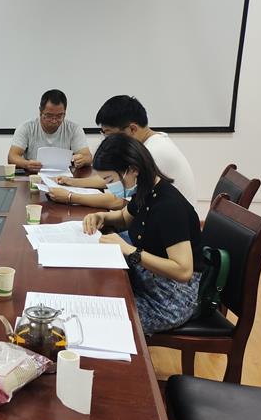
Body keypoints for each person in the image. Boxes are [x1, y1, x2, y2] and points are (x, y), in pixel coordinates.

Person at [82, 135, 202, 334]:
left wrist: (130, 251)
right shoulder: (146, 191)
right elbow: (124, 218)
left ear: (133, 169)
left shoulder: (169, 207)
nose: (108, 186)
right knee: (95, 287)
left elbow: (183, 271)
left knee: (103, 316)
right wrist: (101, 216)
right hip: (150, 278)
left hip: (170, 298)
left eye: (110, 180)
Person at [50, 95, 197, 207]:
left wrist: (70, 197)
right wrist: (72, 182)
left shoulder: (153, 153)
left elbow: (119, 201)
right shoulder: (149, 144)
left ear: (132, 129)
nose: (108, 140)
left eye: (109, 134)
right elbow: (113, 180)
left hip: (169, 231)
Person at [8, 89, 92, 171]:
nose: (54, 120)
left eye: (59, 116)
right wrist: (26, 164)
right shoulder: (27, 127)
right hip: (34, 174)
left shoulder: (73, 129)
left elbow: (88, 157)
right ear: (40, 112)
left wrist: (82, 159)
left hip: (64, 176)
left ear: (65, 113)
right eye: (49, 116)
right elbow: (12, 157)